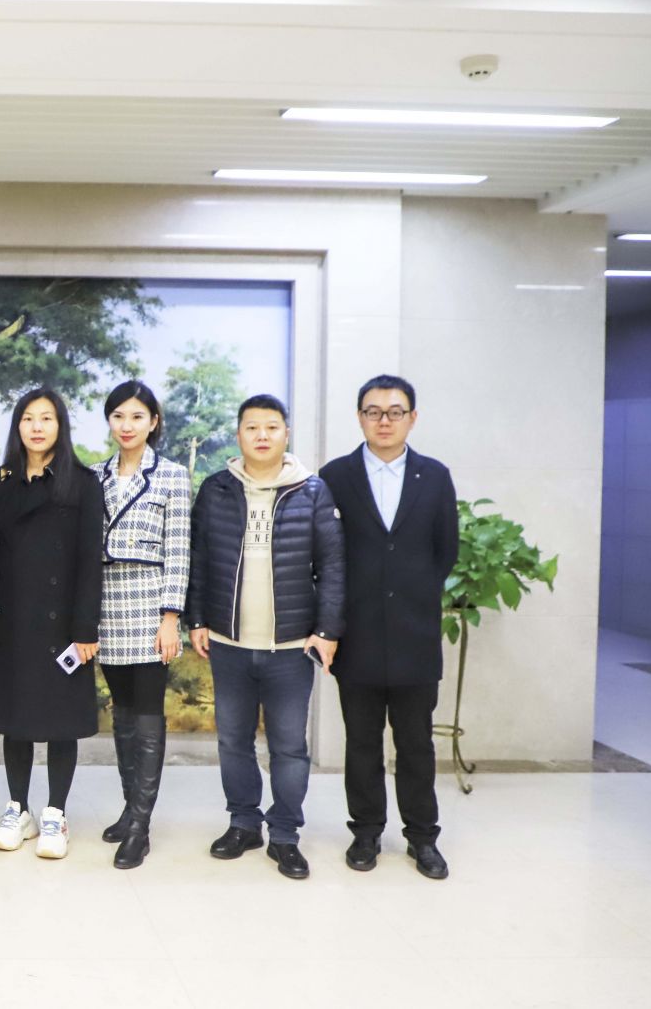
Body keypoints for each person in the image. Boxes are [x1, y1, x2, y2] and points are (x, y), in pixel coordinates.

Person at [187, 394, 344, 880]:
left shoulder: (312, 491)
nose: (261, 435)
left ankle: (285, 835)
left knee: (289, 747)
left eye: (271, 427)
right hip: (229, 644)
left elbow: (334, 566)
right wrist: (197, 619)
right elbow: (198, 559)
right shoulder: (216, 489)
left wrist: (327, 631)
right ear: (239, 434)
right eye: (252, 427)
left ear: (285, 434)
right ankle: (243, 824)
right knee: (233, 741)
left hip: (291, 648)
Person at [318, 375, 458, 880]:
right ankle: (366, 832)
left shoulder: (434, 476)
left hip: (415, 636)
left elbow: (445, 551)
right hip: (356, 635)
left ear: (412, 418)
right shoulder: (335, 476)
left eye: (395, 412)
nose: (384, 421)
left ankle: (423, 837)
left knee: (416, 744)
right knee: (361, 742)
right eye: (373, 412)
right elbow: (325, 554)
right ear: (360, 417)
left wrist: (411, 595)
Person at [0, 388, 104, 860]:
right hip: (11, 619)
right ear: (18, 426)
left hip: (61, 623)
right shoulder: (3, 480)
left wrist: (85, 629)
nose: (36, 427)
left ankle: (56, 813)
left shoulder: (82, 482)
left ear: (60, 426)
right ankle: (18, 808)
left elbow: (89, 560)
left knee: (60, 720)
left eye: (46, 418)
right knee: (17, 718)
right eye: (28, 418)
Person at [92, 380, 191, 870]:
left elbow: (179, 550)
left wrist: (171, 618)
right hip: (107, 604)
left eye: (136, 416)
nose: (126, 425)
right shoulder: (94, 476)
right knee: (123, 711)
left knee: (148, 711)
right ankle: (131, 808)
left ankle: (140, 827)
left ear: (153, 422)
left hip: (152, 605)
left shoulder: (172, 475)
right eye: (118, 416)